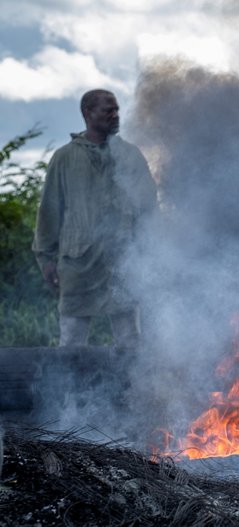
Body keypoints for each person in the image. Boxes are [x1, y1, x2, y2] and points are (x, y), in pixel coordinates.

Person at [33, 89, 157, 346]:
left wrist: (150, 254)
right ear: (88, 113)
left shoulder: (130, 155)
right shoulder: (65, 158)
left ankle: (132, 387)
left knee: (130, 341)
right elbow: (49, 211)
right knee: (71, 340)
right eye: (108, 110)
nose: (115, 115)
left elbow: (148, 209)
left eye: (117, 110)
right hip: (78, 264)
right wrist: (45, 258)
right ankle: (66, 387)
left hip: (123, 262)